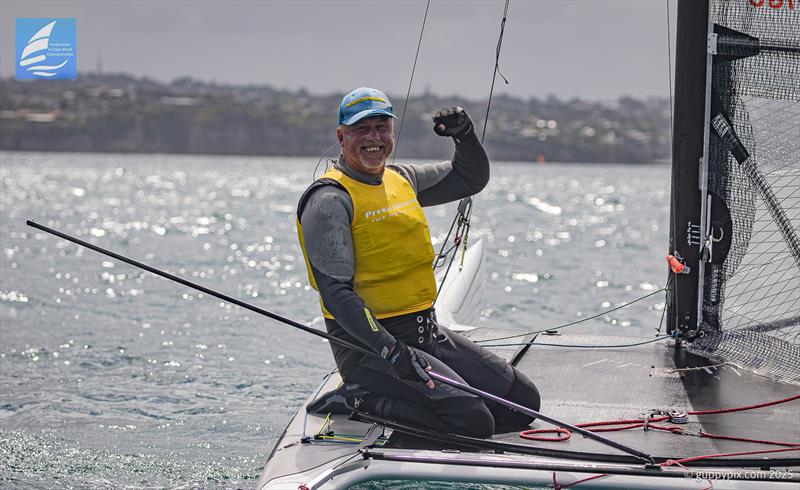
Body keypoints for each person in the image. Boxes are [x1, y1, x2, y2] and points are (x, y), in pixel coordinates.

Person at [296, 87, 540, 438]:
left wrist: (464, 136)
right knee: (474, 421)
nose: (373, 138)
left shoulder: (401, 179)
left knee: (522, 403)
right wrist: (390, 350)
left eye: (381, 127)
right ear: (341, 136)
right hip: (371, 351)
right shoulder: (330, 200)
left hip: (427, 335)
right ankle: (360, 400)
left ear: (392, 133)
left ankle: (415, 390)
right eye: (361, 129)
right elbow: (335, 294)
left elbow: (471, 178)